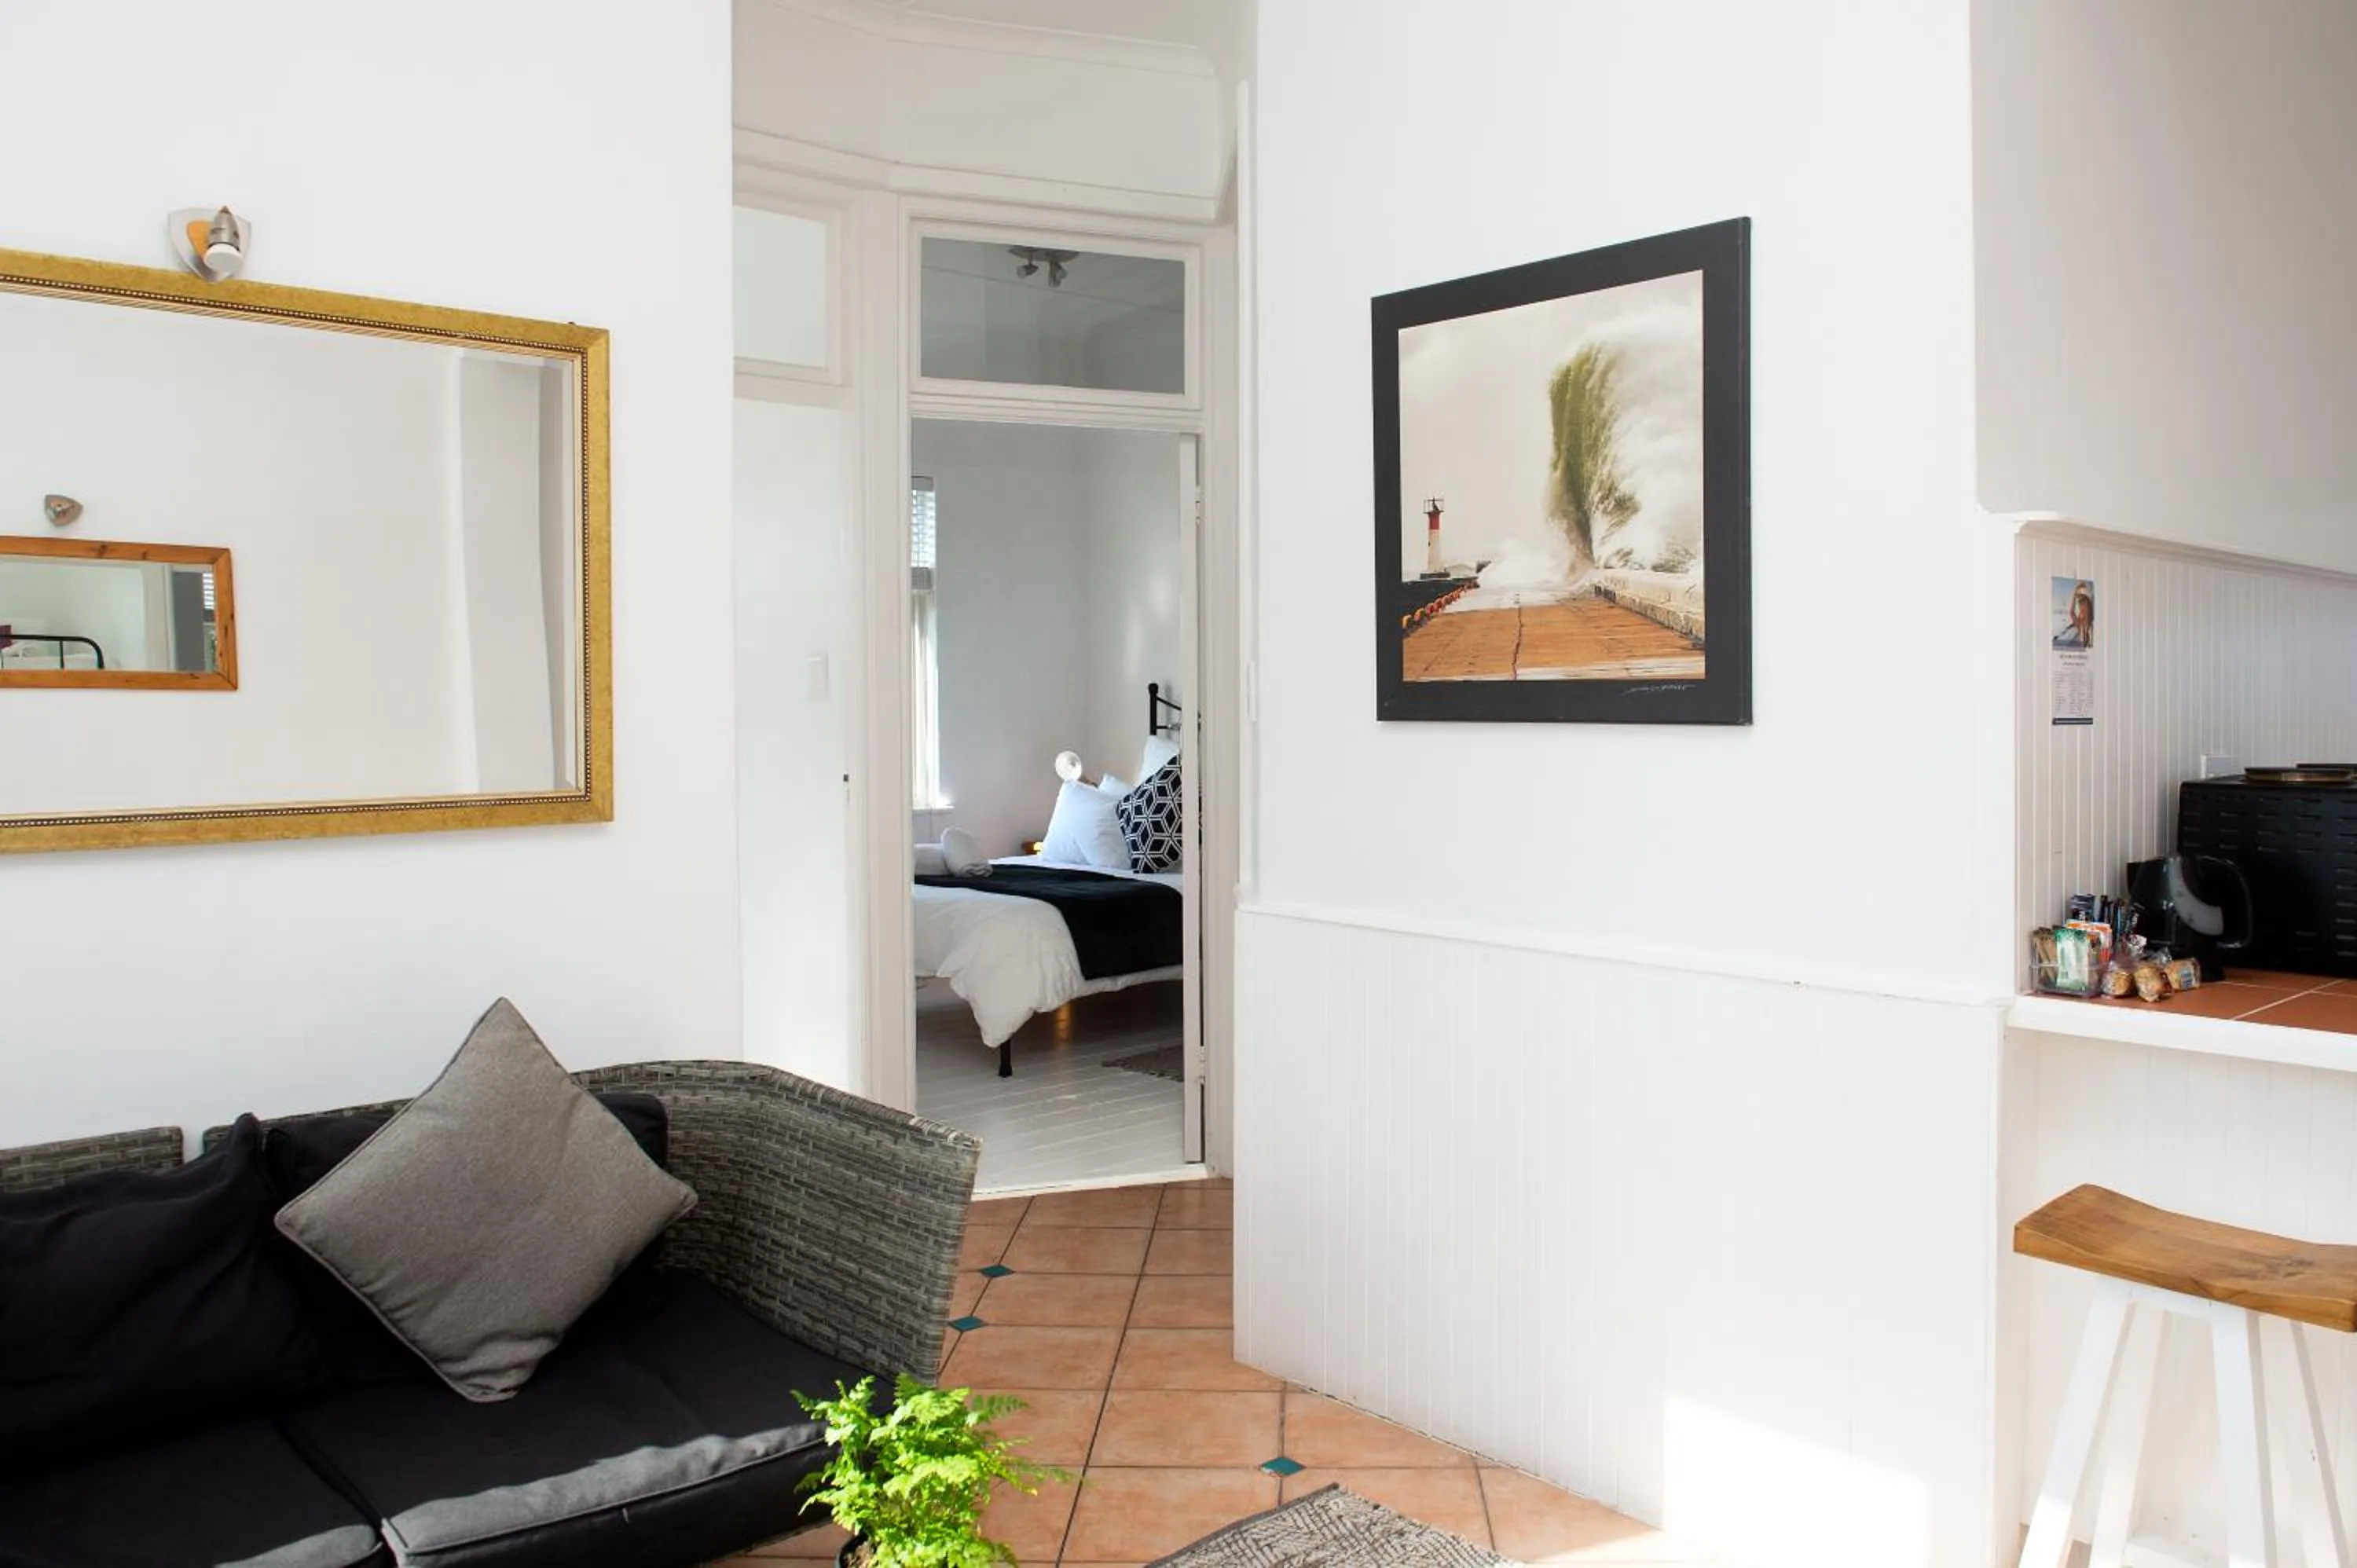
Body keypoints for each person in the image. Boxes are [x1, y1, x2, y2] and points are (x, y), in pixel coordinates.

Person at [2054, 581, 2095, 650]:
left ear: (2089, 606)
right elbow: (2071, 612)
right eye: (2080, 604)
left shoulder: (2093, 626)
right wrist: (2075, 592)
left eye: (2083, 603)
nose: (2081, 608)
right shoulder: (2081, 625)